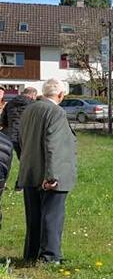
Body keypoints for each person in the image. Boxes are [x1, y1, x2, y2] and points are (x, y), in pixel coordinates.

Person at [17, 79, 76, 263]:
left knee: (33, 217)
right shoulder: (56, 112)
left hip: (29, 170)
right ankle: (50, 257)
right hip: (49, 173)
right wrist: (52, 176)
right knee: (52, 217)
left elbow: (20, 139)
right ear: (60, 95)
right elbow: (54, 144)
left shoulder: (29, 110)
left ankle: (31, 254)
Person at [0, 86, 37, 159]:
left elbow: (3, 122)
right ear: (33, 95)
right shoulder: (34, 105)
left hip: (12, 137)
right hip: (28, 137)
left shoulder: (9, 103)